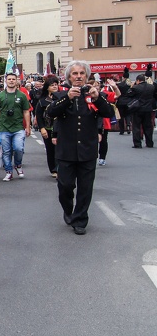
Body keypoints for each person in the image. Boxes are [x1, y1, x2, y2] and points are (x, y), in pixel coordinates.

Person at [46, 60, 114, 235]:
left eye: (82, 73)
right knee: (65, 186)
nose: (78, 77)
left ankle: (80, 219)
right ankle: (68, 209)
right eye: (75, 74)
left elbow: (108, 113)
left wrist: (98, 98)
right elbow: (51, 112)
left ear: (87, 76)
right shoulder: (61, 95)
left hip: (87, 149)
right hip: (66, 150)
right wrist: (67, 98)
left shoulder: (94, 95)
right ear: (69, 77)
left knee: (85, 188)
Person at [0, 73, 31, 181]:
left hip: (18, 127)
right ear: (5, 81)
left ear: (17, 81)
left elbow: (26, 111)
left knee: (19, 148)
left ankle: (18, 165)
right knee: (6, 151)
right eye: (9, 79)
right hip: (4, 128)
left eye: (13, 79)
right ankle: (8, 171)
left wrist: (28, 127)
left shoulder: (22, 95)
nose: (11, 81)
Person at [34, 75, 61, 178]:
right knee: (50, 149)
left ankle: (60, 169)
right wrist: (42, 128)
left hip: (60, 129)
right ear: (47, 87)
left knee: (60, 149)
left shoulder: (62, 98)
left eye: (56, 84)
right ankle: (53, 169)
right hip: (48, 128)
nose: (54, 86)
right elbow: (39, 116)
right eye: (52, 85)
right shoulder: (42, 101)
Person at [128, 74, 156, 148]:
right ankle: (149, 143)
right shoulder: (151, 87)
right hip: (148, 109)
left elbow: (129, 94)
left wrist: (132, 86)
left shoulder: (136, 87)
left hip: (137, 109)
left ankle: (137, 144)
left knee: (136, 127)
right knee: (148, 127)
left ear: (138, 80)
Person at [96, 78, 119, 165]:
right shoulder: (85, 96)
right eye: (94, 86)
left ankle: (102, 157)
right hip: (90, 121)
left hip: (103, 121)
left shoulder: (104, 95)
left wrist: (115, 87)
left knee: (103, 140)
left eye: (97, 86)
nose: (95, 87)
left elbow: (117, 95)